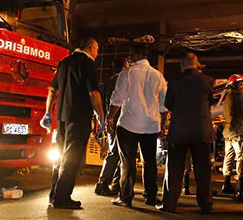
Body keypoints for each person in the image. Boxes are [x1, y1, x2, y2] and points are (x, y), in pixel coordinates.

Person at [40, 37, 105, 209]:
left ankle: (54, 194)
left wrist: (47, 112)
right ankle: (62, 198)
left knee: (60, 157)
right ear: (90, 48)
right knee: (72, 158)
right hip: (79, 117)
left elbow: (52, 89)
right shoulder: (88, 63)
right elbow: (93, 94)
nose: (97, 54)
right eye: (97, 49)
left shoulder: (64, 62)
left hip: (61, 117)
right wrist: (101, 116)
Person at [106, 44, 167, 207]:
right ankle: (151, 196)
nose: (129, 57)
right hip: (151, 126)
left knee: (127, 163)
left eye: (131, 54)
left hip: (128, 125)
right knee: (150, 162)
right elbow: (163, 105)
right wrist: (163, 125)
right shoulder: (158, 76)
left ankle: (125, 197)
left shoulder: (127, 73)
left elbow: (117, 98)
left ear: (139, 55)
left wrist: (110, 118)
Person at [157, 53, 214, 213]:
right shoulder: (207, 81)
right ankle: (206, 203)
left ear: (182, 65)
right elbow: (210, 102)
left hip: (179, 130)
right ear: (197, 65)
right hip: (201, 130)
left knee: (175, 168)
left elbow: (168, 103)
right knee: (202, 168)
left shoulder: (175, 82)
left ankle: (169, 204)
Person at [95, 58, 130, 196]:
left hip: (111, 122)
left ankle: (116, 184)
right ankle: (103, 184)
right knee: (115, 153)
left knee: (116, 153)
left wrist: (103, 121)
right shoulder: (121, 80)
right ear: (123, 68)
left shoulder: (107, 82)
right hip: (119, 121)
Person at [220, 74, 243, 201]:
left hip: (228, 132)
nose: (242, 86)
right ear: (234, 85)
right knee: (242, 157)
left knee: (228, 157)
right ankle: (240, 188)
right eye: (240, 84)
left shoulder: (228, 96)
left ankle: (226, 184)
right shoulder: (239, 96)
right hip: (239, 131)